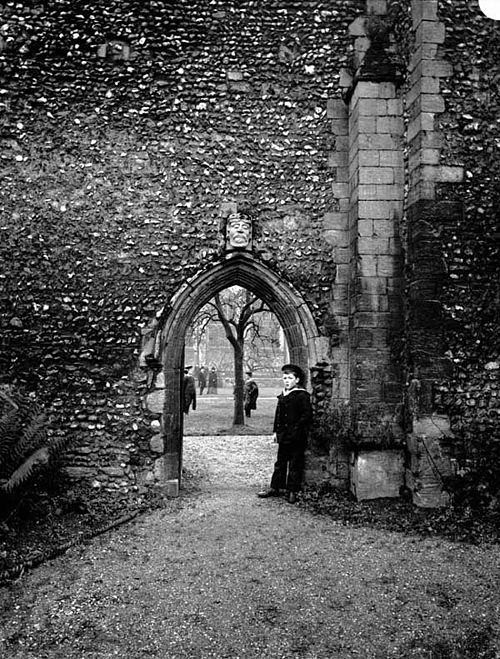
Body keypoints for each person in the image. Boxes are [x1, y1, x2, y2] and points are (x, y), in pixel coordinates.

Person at [257, 364, 312, 504]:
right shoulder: (283, 395)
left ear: (297, 380)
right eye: (285, 378)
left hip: (297, 436)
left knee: (295, 463)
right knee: (280, 462)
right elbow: (278, 415)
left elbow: (306, 416)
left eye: (290, 378)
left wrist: (297, 429)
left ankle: (292, 490)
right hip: (284, 435)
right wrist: (276, 431)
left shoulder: (302, 395)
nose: (287, 381)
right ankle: (275, 487)